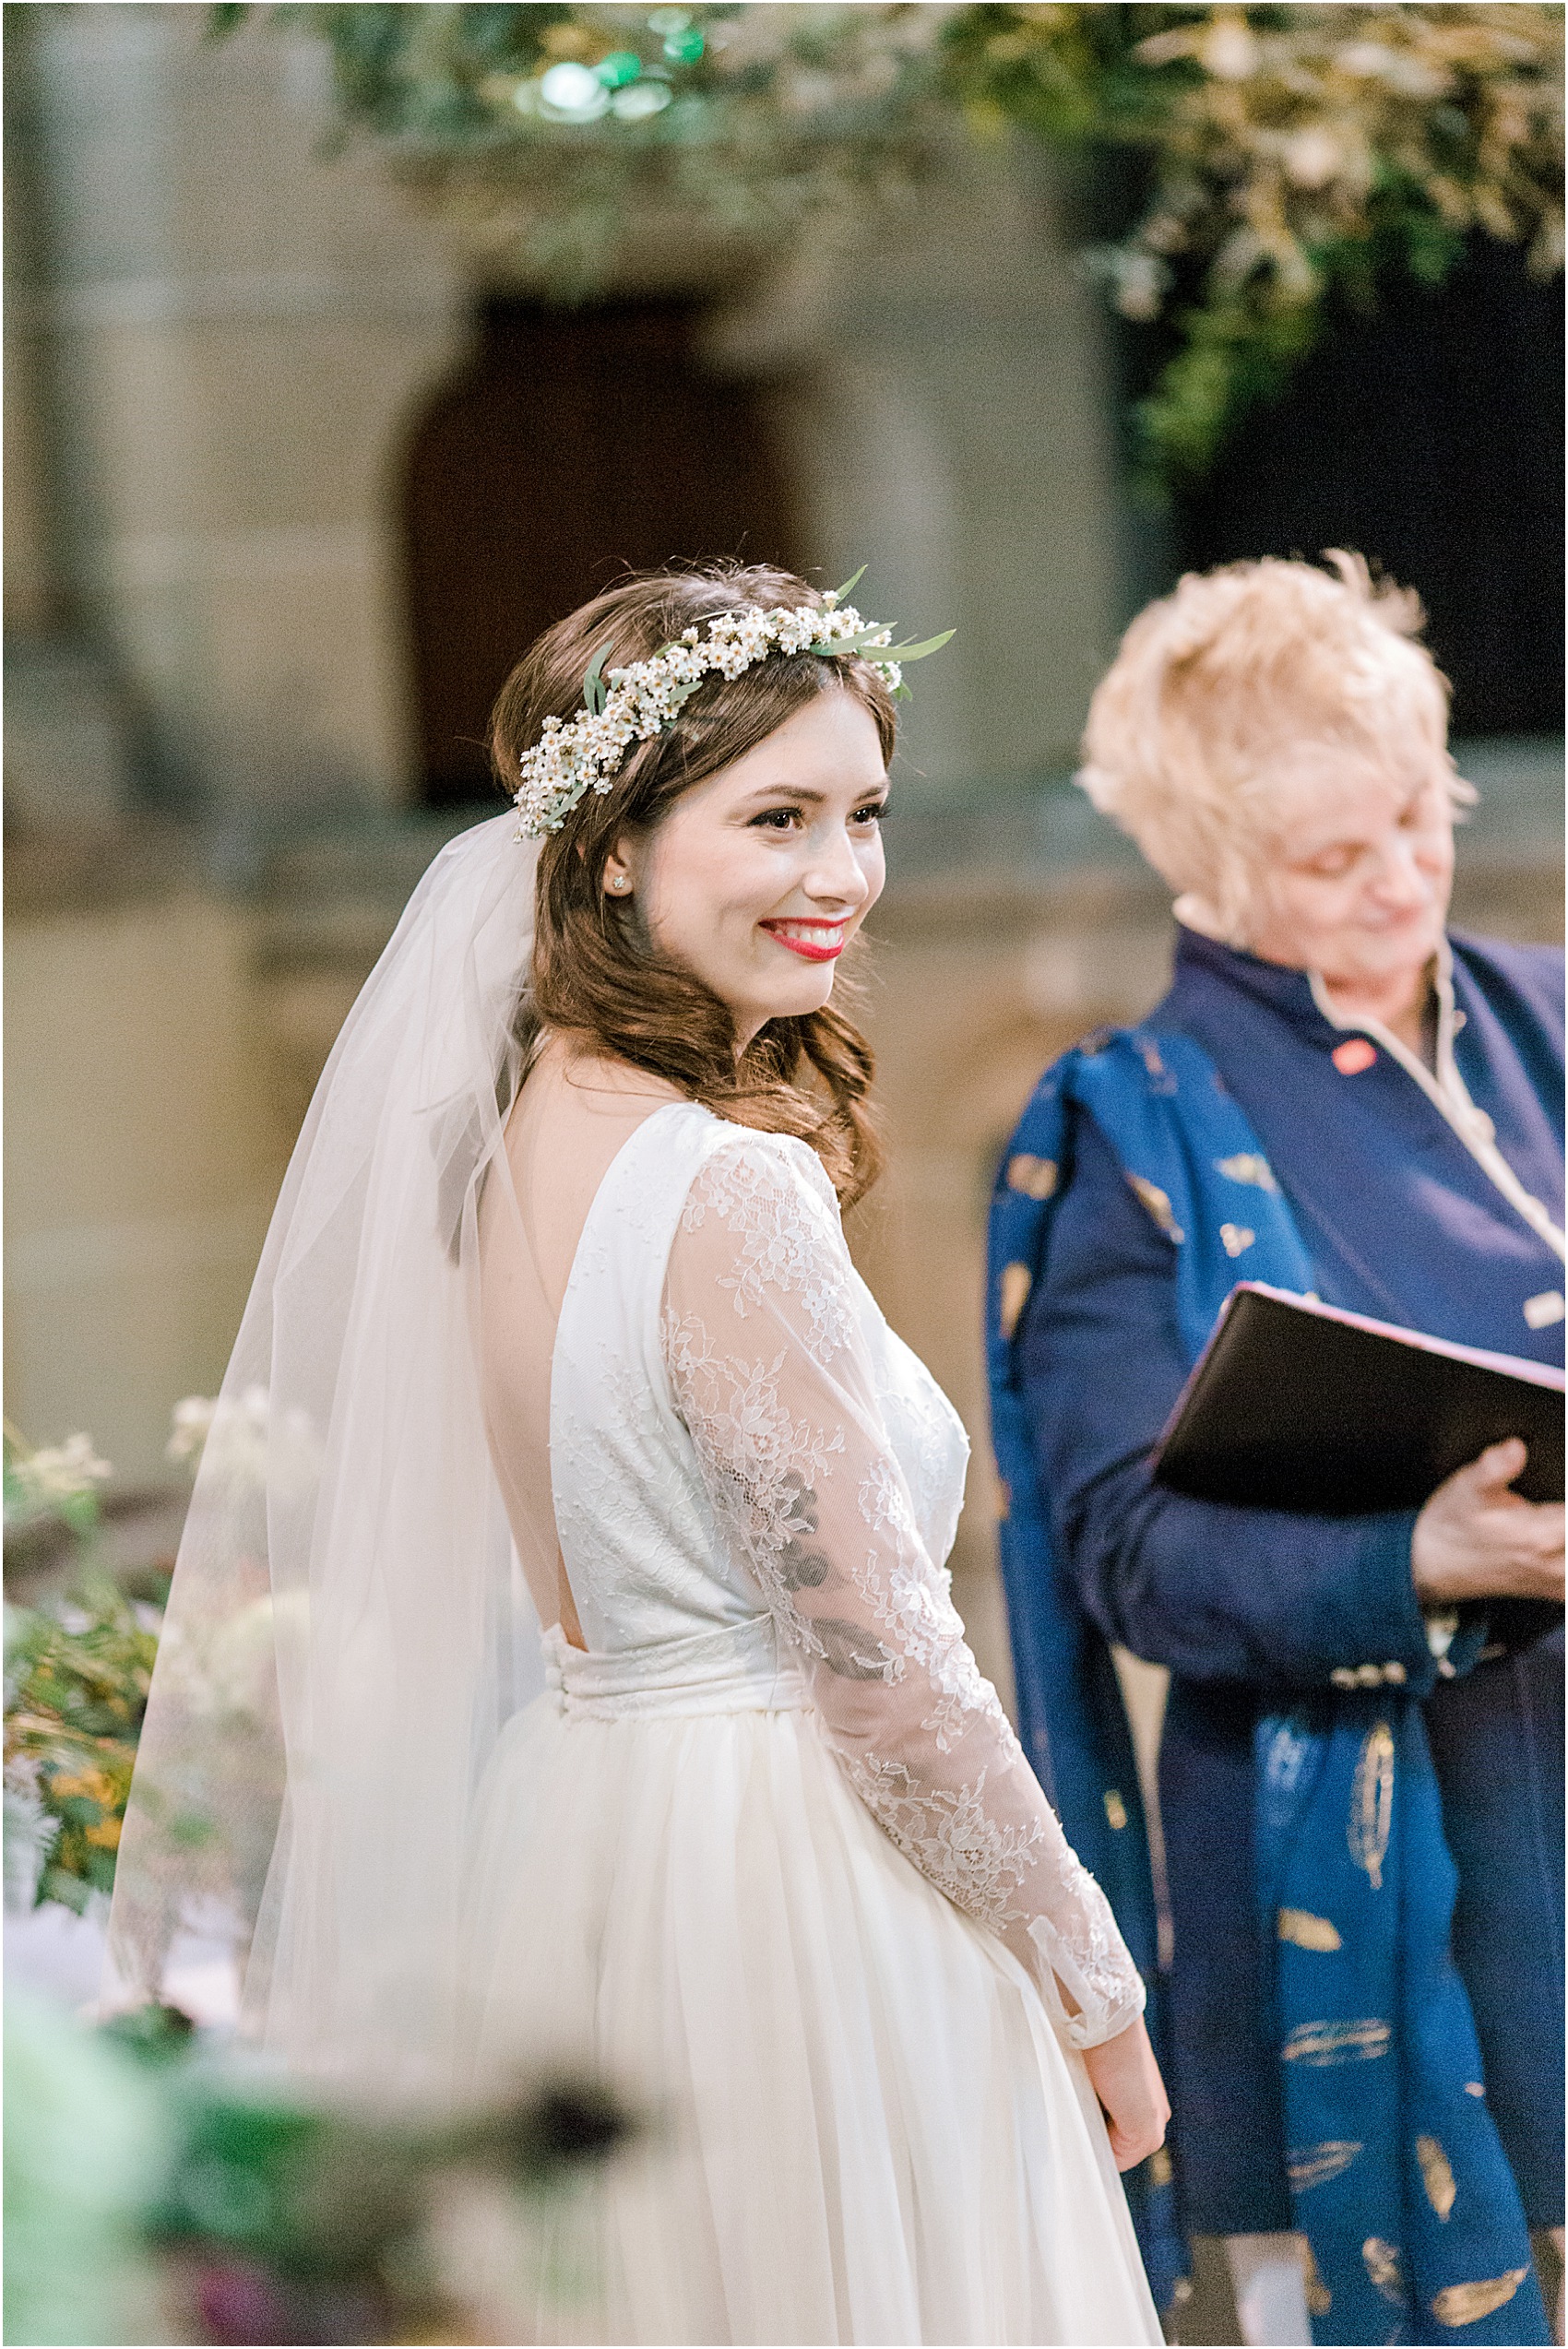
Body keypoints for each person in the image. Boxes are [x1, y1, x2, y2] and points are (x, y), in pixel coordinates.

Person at [110, 563, 1165, 2345]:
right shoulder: (723, 1185)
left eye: (865, 816)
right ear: (613, 843)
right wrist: (1092, 1981)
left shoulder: (518, 1142)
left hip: (589, 1838)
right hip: (799, 1888)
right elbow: (882, 1670)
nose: (841, 875)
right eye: (777, 818)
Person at [986, 553, 1564, 2348]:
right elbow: (1124, 1549)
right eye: (1332, 859)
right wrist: (1410, 1565)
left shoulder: (1554, 1010)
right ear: (1211, 877)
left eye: (1415, 819)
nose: (1399, 878)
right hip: (1424, 1882)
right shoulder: (1133, 1124)